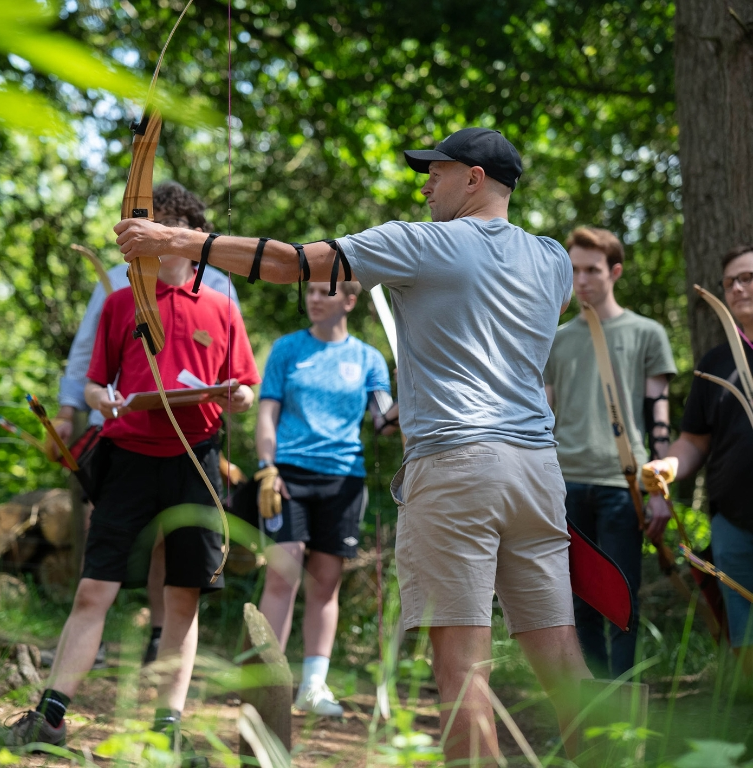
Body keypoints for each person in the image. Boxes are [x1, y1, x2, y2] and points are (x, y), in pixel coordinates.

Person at [116, 126, 593, 763]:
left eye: (438, 172)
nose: (426, 183)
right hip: (536, 471)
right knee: (561, 658)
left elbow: (290, 262)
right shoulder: (555, 259)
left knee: (461, 671)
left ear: (475, 180)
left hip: (457, 470)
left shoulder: (422, 242)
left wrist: (178, 240)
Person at [5, 187, 260, 761]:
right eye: (145, 227)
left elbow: (245, 382)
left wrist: (236, 397)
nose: (146, 240)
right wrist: (106, 399)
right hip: (128, 459)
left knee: (183, 598)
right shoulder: (121, 301)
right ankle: (51, 716)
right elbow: (94, 380)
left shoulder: (221, 306)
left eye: (163, 228)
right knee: (95, 587)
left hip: (195, 456)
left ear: (191, 240)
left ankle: (166, 728)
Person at [48, 182, 239, 665]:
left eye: (172, 225)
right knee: (100, 530)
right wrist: (70, 411)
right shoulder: (118, 280)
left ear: (194, 234)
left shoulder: (216, 287)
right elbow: (88, 353)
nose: (160, 234)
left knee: (172, 541)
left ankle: (160, 635)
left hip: (191, 434)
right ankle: (93, 639)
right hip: (119, 425)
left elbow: (228, 368)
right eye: (154, 222)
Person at [543, 226, 676, 678]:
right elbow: (541, 415)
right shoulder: (556, 338)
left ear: (614, 271)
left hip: (623, 485)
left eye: (592, 270)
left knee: (622, 603)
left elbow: (659, 418)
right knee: (580, 606)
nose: (582, 280)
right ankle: (592, 716)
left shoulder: (647, 333)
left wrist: (659, 490)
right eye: (574, 270)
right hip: (565, 486)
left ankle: (623, 713)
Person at [255, 280, 391, 716]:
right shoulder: (286, 349)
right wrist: (267, 467)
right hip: (288, 476)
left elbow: (385, 422)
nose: (313, 298)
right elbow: (266, 414)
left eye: (324, 292)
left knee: (325, 583)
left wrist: (415, 389)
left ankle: (313, 687)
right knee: (283, 572)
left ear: (349, 301)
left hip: (344, 480)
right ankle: (267, 682)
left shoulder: (369, 359)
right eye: (309, 290)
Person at [644, 244, 753, 665]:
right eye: (730, 282)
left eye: (748, 278)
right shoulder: (715, 362)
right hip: (734, 524)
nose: (738, 288)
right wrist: (668, 467)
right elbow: (693, 441)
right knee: (744, 640)